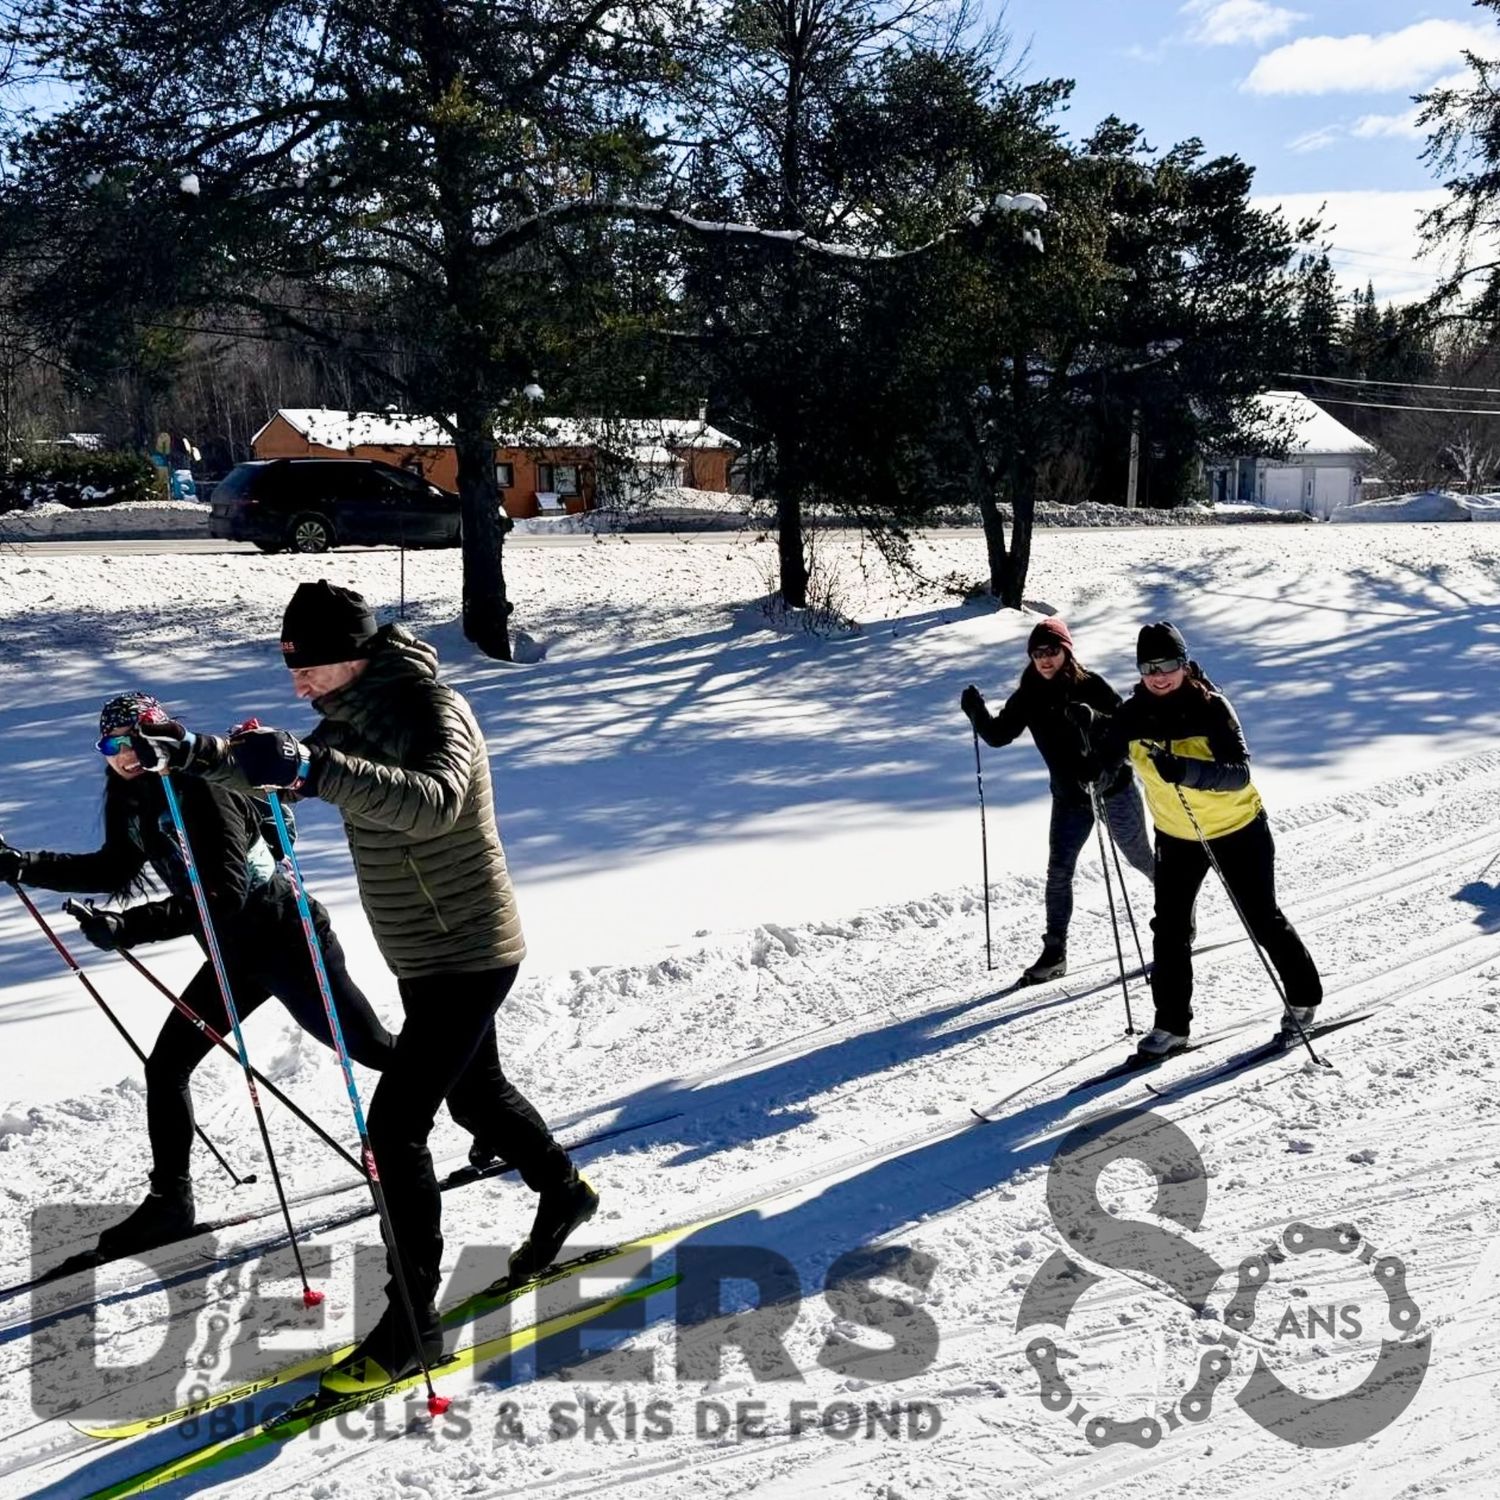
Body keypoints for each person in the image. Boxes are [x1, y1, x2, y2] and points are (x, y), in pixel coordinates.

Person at [135, 581, 593, 1393]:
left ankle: (411, 1325)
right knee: (476, 1093)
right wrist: (194, 753)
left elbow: (433, 803)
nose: (298, 682)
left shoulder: (432, 708)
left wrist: (316, 766)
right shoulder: (349, 713)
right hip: (421, 950)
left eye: (308, 665)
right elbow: (276, 772)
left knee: (394, 1129)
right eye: (290, 666)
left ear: (354, 655)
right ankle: (564, 1192)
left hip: (471, 948)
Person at [0, 691, 396, 1256]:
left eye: (134, 742)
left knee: (373, 1049)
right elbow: (113, 868)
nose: (124, 755)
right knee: (166, 1068)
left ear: (159, 737)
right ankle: (170, 1203)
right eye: (111, 746)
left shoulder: (203, 787)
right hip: (233, 956)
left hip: (288, 942)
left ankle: (487, 1113)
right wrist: (22, 865)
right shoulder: (133, 797)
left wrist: (129, 928)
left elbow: (224, 894)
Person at [1080, 621, 1322, 1058]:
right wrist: (1094, 766)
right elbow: (1109, 755)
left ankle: (1304, 999)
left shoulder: (1211, 707)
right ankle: (1171, 1025)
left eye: (1167, 664)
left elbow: (1239, 773)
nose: (1158, 675)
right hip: (1176, 836)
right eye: (1148, 667)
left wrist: (1187, 771)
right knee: (1169, 929)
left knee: (1261, 918)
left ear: (1184, 663)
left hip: (1238, 829)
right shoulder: (1133, 713)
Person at [961, 616, 1154, 983]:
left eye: (1051, 651)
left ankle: (1178, 916)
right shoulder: (1029, 695)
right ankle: (1055, 953)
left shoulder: (1090, 685)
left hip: (1112, 789)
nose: (1045, 659)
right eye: (1037, 653)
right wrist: (977, 713)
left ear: (1066, 651)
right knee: (1059, 872)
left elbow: (1126, 728)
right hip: (1069, 798)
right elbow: (999, 735)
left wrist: (1094, 723)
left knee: (1141, 858)